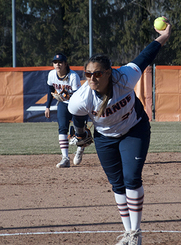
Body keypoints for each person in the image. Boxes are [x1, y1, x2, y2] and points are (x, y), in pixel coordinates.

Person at [68, 19, 172, 245]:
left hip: (134, 128)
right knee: (116, 183)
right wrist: (80, 133)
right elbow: (77, 118)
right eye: (87, 74)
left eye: (97, 74)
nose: (91, 78)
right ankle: (128, 233)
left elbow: (146, 56)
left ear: (108, 73)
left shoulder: (125, 77)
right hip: (105, 137)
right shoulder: (81, 98)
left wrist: (163, 37)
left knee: (131, 178)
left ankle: (136, 234)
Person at [44, 53, 87, 168]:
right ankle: (65, 158)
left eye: (60, 62)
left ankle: (80, 148)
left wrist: (66, 95)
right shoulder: (52, 74)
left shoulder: (73, 76)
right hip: (63, 104)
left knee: (79, 130)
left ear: (65, 64)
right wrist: (47, 106)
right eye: (55, 62)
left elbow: (77, 95)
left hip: (76, 105)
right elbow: (50, 89)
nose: (57, 64)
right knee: (62, 128)